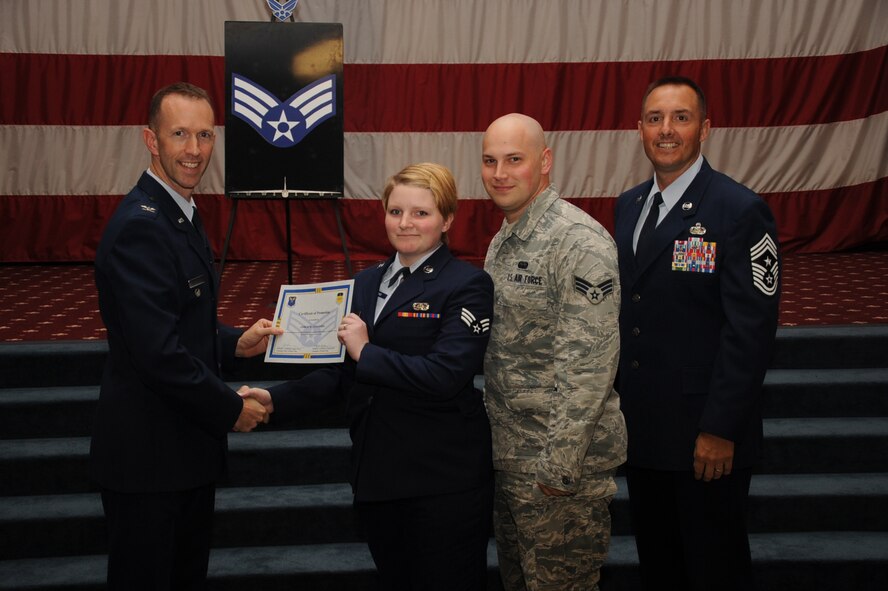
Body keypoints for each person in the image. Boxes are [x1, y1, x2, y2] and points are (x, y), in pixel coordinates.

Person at [242, 162, 495, 590]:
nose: (406, 223)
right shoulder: (363, 283)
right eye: (395, 211)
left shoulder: (468, 285)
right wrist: (277, 400)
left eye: (421, 212)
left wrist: (366, 350)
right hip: (377, 475)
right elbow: (342, 376)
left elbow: (446, 375)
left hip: (441, 480)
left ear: (447, 219)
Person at [91, 82, 282, 590]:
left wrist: (233, 342)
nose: (194, 150)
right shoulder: (143, 226)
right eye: (179, 134)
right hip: (150, 459)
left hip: (178, 452)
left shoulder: (179, 211)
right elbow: (157, 355)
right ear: (151, 140)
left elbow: (178, 321)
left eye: (204, 134)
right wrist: (228, 407)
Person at [614, 76, 781, 590]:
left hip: (704, 437)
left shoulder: (739, 210)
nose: (667, 130)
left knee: (715, 569)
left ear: (705, 128)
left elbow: (750, 332)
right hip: (644, 432)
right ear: (639, 128)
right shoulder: (629, 205)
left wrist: (720, 428)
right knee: (660, 567)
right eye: (655, 118)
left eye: (681, 118)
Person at [481, 113, 626, 591]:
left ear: (544, 162)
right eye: (489, 161)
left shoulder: (577, 241)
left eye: (514, 160)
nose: (499, 173)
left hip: (559, 469)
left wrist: (559, 466)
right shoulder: (503, 241)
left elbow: (589, 364)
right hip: (511, 458)